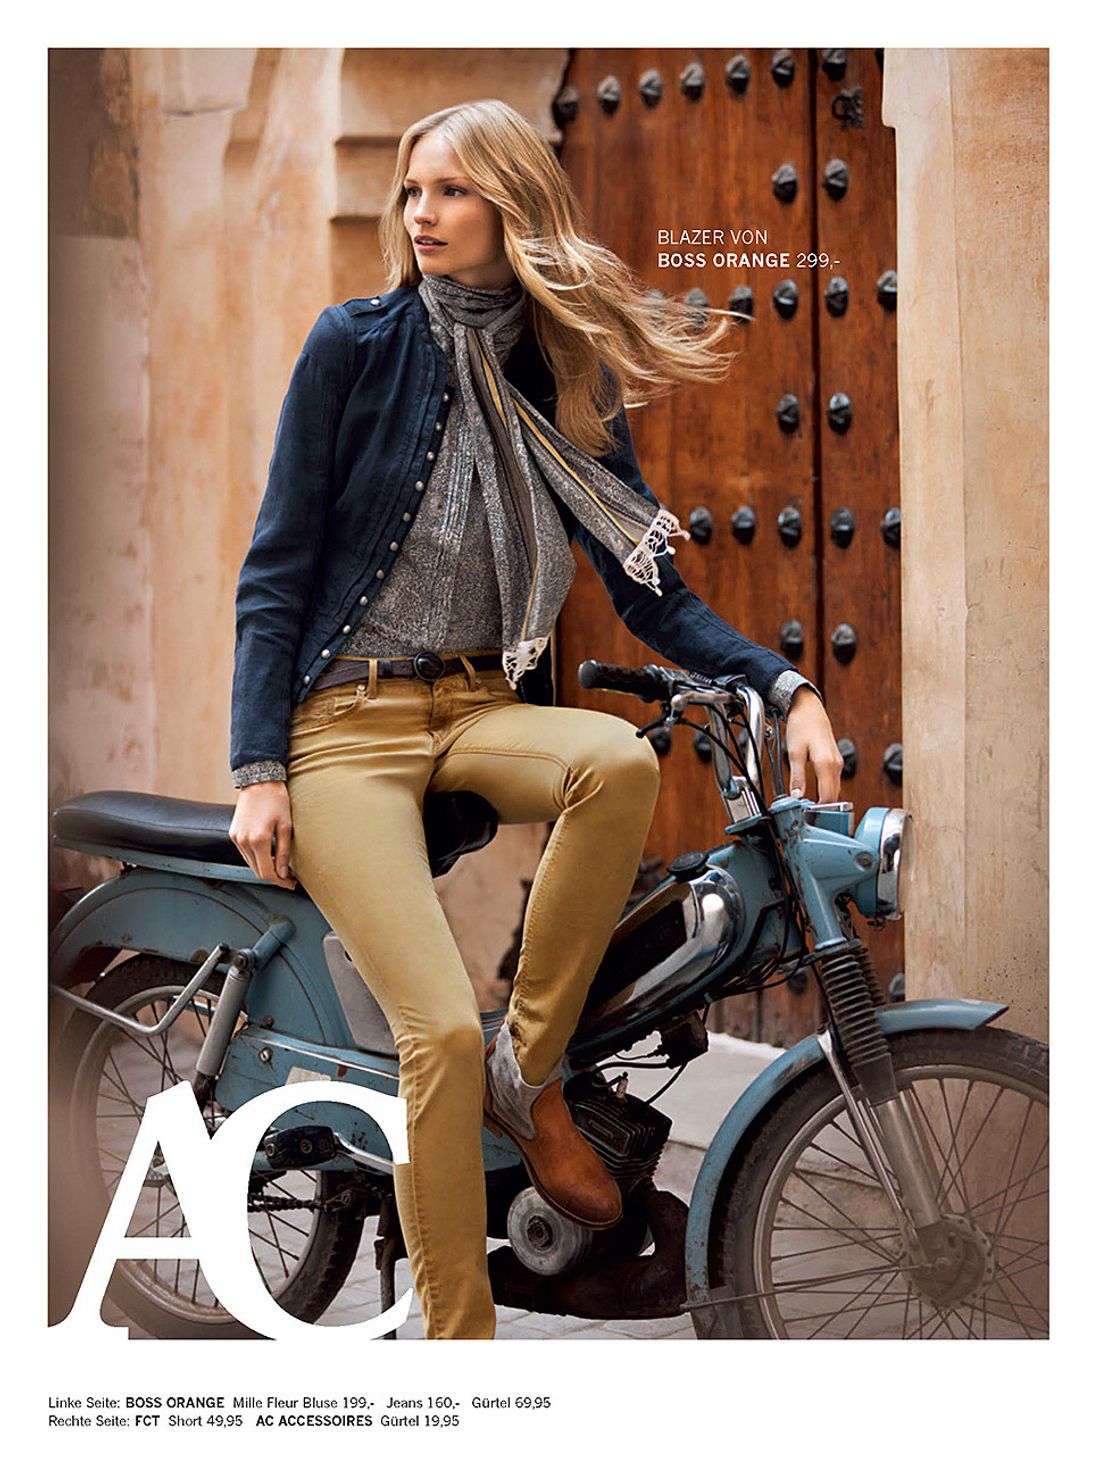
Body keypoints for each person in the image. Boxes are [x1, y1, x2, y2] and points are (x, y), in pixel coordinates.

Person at [226, 99, 843, 1338]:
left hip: (473, 701)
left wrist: (784, 685)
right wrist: (258, 764)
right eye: (412, 190)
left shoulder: (563, 373)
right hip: (345, 725)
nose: (422, 213)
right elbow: (277, 565)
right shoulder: (355, 345)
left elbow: (647, 591)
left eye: (451, 190)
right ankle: (462, 1353)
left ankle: (533, 1068)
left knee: (612, 759)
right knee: (436, 1036)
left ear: (513, 207)